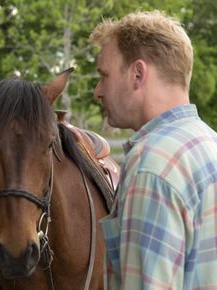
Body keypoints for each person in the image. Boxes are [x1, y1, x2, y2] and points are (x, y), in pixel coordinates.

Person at [90, 10, 217, 289]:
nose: (97, 91)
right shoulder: (209, 144)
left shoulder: (153, 165)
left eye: (104, 75)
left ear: (137, 74)